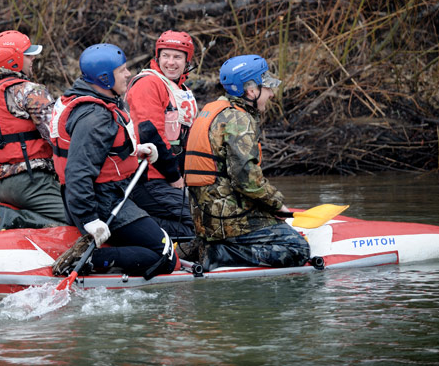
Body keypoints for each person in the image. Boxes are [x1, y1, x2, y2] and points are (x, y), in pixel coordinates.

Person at [50, 43, 177, 278]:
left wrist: (136, 151)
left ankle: (113, 256)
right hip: (101, 201)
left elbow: (101, 152)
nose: (128, 74)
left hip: (104, 194)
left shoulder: (90, 98)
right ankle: (89, 260)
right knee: (166, 256)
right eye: (122, 71)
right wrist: (89, 219)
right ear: (105, 78)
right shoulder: (94, 117)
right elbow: (78, 172)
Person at [184, 54, 310, 271]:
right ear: (251, 91)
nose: (271, 93)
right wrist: (277, 204)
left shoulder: (214, 110)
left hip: (206, 218)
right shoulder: (239, 120)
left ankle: (209, 245)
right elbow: (246, 180)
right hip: (227, 221)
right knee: (298, 247)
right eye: (267, 87)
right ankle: (221, 253)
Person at [0, 30, 66, 224]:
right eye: (28, 55)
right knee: (83, 219)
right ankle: (18, 219)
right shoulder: (30, 92)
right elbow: (57, 136)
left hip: (0, 187)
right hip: (33, 182)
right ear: (14, 60)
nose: (32, 58)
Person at [125, 31, 197, 239]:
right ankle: (134, 226)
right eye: (166, 56)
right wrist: (174, 176)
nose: (171, 62)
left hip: (171, 178)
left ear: (187, 61)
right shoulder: (149, 83)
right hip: (150, 178)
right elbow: (149, 132)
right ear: (157, 57)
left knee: (208, 217)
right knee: (201, 223)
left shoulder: (180, 88)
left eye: (177, 57)